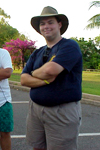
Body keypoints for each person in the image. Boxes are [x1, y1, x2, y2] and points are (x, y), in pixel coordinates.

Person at [21, 6, 82, 150]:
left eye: (50, 22)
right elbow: (23, 80)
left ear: (59, 24)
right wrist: (45, 79)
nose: (46, 26)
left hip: (61, 112)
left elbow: (51, 70)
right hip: (35, 110)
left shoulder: (69, 46)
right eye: (42, 24)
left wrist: (33, 73)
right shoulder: (38, 52)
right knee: (37, 147)